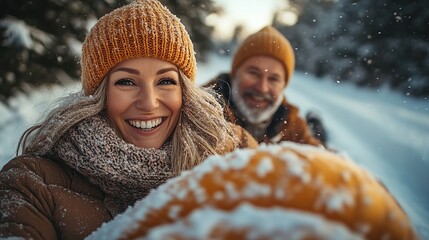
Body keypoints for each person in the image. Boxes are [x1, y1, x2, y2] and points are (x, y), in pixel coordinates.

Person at [0, 0, 257, 239]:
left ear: (184, 91)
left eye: (166, 81)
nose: (148, 102)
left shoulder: (233, 152)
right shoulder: (32, 184)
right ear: (99, 95)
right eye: (126, 81)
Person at [205, 26, 322, 146]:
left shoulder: (290, 124)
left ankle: (314, 124)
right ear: (235, 74)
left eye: (273, 79)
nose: (262, 88)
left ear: (283, 86)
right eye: (254, 73)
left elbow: (321, 156)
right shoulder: (201, 108)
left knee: (317, 135)